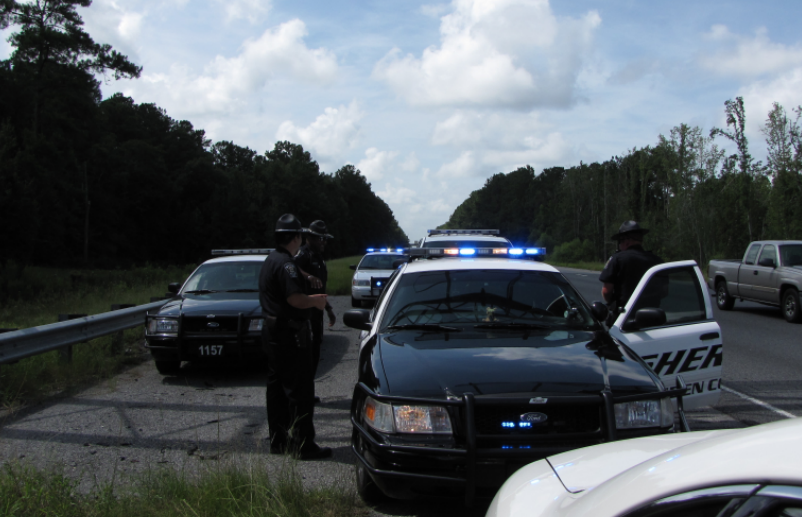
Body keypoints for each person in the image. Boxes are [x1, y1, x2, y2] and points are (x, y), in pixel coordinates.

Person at [259, 214, 331, 460]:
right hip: (289, 335)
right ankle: (304, 445)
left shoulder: (271, 260)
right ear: (297, 237)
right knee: (300, 391)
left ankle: (278, 440)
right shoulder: (287, 264)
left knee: (277, 389)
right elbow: (294, 299)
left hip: (272, 332)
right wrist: (316, 302)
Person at [295, 220, 336, 393]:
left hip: (317, 313)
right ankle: (303, 391)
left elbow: (320, 289)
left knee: (315, 351)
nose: (323, 243)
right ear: (310, 238)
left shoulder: (319, 257)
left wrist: (328, 309)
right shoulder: (303, 254)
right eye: (320, 239)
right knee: (305, 353)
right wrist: (308, 277)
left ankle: (308, 389)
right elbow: (291, 268)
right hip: (305, 313)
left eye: (324, 239)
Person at [599, 220, 664, 322]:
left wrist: (613, 304)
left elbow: (606, 291)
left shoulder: (617, 259)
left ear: (626, 241)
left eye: (620, 241)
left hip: (624, 319)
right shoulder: (658, 261)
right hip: (653, 318)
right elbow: (664, 291)